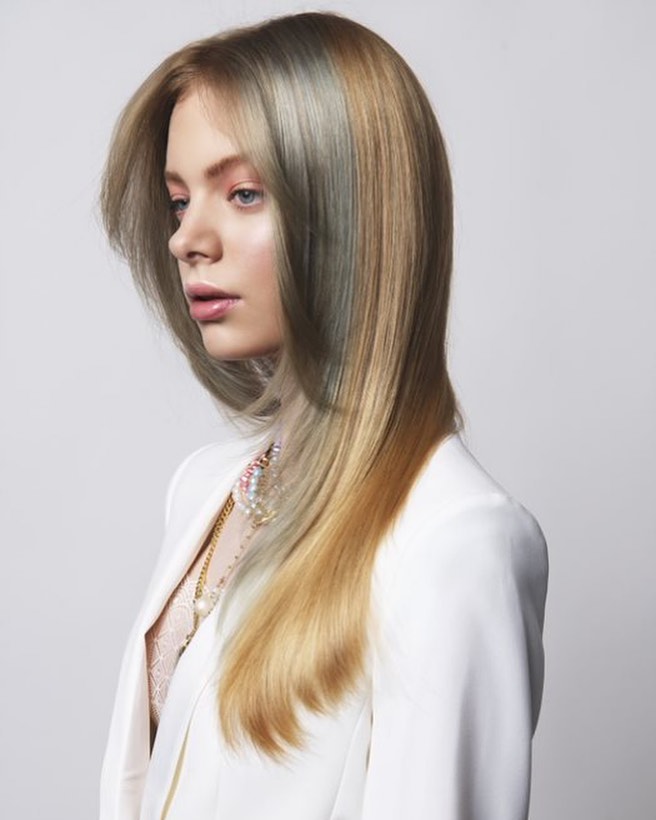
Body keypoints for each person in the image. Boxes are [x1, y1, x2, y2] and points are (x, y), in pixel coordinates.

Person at [99, 11, 548, 820]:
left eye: (243, 193)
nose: (186, 240)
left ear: (357, 212)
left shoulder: (454, 540)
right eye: (178, 202)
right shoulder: (203, 490)